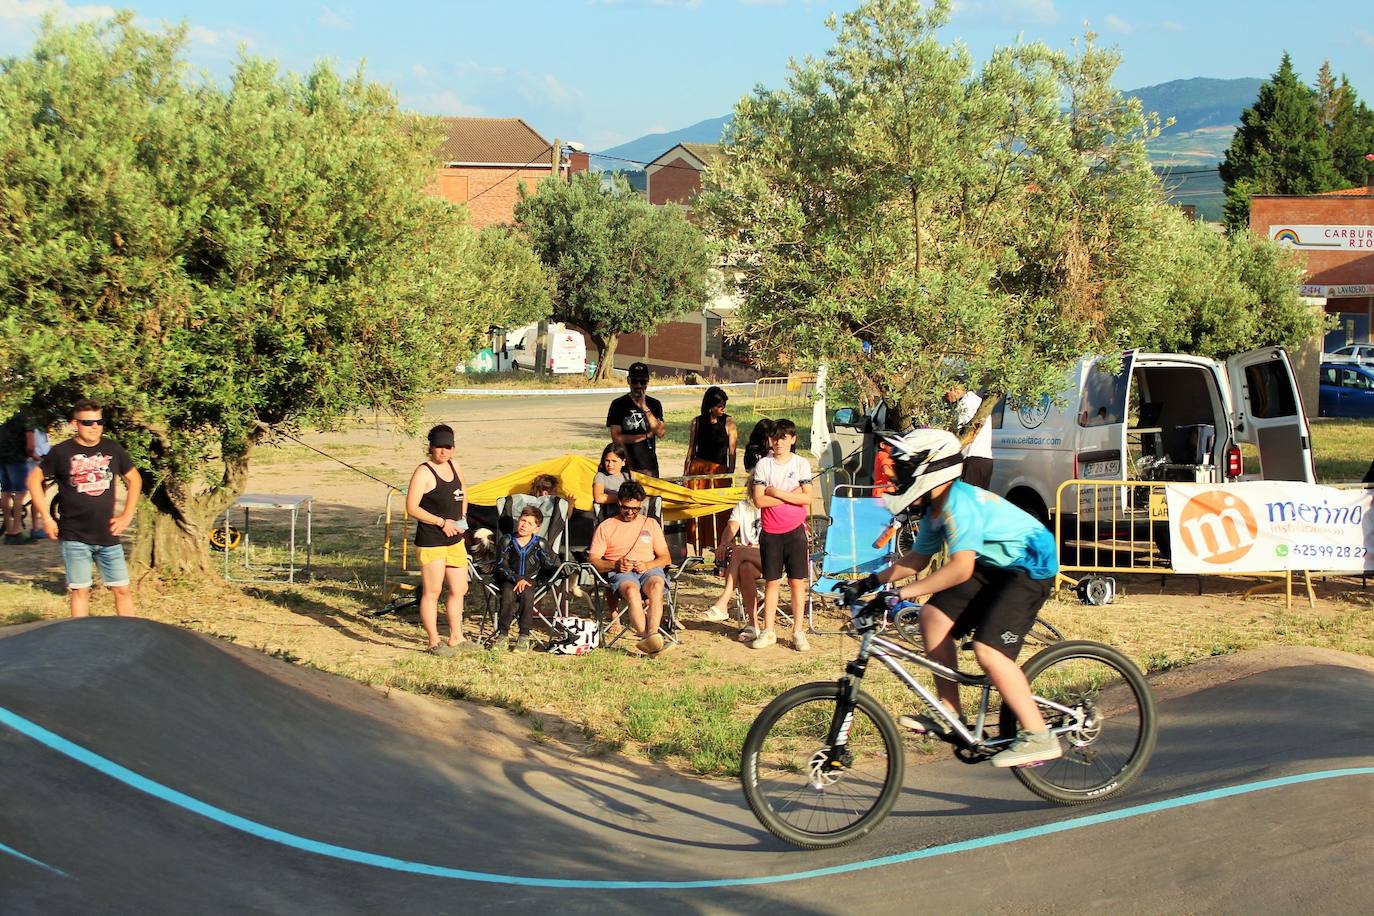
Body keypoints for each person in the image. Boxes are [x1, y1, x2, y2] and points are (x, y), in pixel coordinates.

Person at [840, 428, 1062, 768]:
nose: (895, 475)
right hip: (993, 564)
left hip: (1030, 566)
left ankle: (1038, 735)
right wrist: (867, 582)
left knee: (990, 651)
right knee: (932, 618)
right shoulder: (934, 508)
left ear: (928, 469)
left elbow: (959, 570)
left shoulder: (959, 505)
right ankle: (950, 712)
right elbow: (917, 559)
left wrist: (898, 593)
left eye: (902, 469)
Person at [27, 400, 142, 617]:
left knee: (122, 590)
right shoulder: (61, 452)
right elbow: (34, 479)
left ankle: (129, 638)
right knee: (80, 591)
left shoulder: (112, 448)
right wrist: (47, 518)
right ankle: (79, 641)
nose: (95, 427)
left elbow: (134, 479)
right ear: (75, 424)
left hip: (108, 533)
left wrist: (127, 514)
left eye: (99, 421)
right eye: (88, 422)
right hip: (74, 535)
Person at [405, 424, 477, 656]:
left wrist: (462, 518)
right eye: (439, 447)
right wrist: (441, 522)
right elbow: (411, 507)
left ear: (453, 448)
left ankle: (457, 636)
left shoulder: (455, 466)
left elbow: (463, 492)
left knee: (459, 588)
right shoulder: (424, 472)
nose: (443, 451)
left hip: (455, 539)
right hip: (431, 539)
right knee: (433, 590)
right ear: (431, 447)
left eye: (448, 447)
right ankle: (434, 641)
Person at [748, 418, 813, 651]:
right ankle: (768, 630)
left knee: (797, 582)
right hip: (771, 532)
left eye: (783, 438)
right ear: (769, 440)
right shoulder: (764, 465)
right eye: (774, 438)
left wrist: (776, 492)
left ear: (793, 439)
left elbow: (806, 497)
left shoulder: (801, 464)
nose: (778, 443)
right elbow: (759, 500)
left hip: (795, 532)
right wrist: (785, 494)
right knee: (772, 582)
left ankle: (798, 630)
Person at [587, 481, 673, 656]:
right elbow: (594, 560)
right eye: (627, 508)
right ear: (619, 503)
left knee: (657, 586)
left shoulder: (651, 524)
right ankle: (647, 637)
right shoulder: (606, 526)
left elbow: (666, 557)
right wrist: (615, 564)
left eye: (636, 509)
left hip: (649, 569)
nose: (631, 512)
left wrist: (648, 565)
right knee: (632, 591)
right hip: (621, 572)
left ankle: (652, 635)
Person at [491, 506, 558, 652]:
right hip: (509, 579)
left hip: (530, 581)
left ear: (536, 528)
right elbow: (501, 565)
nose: (524, 525)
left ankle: (524, 635)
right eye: (522, 520)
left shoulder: (540, 544)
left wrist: (536, 581)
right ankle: (503, 634)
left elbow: (550, 567)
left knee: (528, 595)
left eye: (529, 523)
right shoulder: (507, 540)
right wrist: (517, 578)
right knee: (508, 594)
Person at [683, 386, 738, 554]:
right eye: (720, 406)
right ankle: (698, 551)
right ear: (710, 406)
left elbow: (732, 451)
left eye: (724, 405)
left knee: (719, 511)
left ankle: (720, 552)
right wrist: (686, 474)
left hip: (719, 470)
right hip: (698, 470)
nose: (723, 409)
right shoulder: (697, 421)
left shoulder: (729, 422)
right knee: (698, 509)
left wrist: (729, 473)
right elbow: (691, 448)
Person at [700, 497, 762, 626]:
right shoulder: (744, 505)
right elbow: (732, 526)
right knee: (745, 568)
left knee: (738, 551)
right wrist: (724, 544)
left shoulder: (775, 506)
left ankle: (723, 603)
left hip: (773, 557)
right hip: (749, 558)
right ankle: (753, 624)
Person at [606, 362, 666, 479]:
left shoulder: (654, 404)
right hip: (624, 464)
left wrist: (644, 408)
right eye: (635, 381)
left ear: (647, 381)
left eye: (642, 382)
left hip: (648, 465)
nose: (638, 385)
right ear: (628, 381)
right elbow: (616, 438)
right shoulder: (618, 404)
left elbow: (660, 433)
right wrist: (645, 436)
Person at [947, 383, 994, 489]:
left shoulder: (965, 404)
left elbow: (959, 434)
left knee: (967, 500)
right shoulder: (979, 401)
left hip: (972, 459)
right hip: (985, 460)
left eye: (946, 393)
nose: (945, 397)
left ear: (955, 390)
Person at [0, 411, 30, 544]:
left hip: (2, 458)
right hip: (17, 459)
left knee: (5, 492)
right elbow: (31, 446)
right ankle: (16, 530)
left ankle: (8, 530)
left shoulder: (6, 416)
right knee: (19, 493)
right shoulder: (28, 418)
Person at [592, 442, 634, 521]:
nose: (610, 465)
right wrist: (622, 498)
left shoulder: (627, 476)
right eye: (607, 461)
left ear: (623, 462)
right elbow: (598, 498)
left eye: (614, 461)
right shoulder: (601, 476)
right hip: (610, 515)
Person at [26, 423, 51, 539]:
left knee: (41, 490)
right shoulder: (33, 428)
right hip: (34, 463)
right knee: (38, 492)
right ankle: (35, 527)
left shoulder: (41, 429)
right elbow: (32, 449)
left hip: (37, 461)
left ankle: (35, 527)